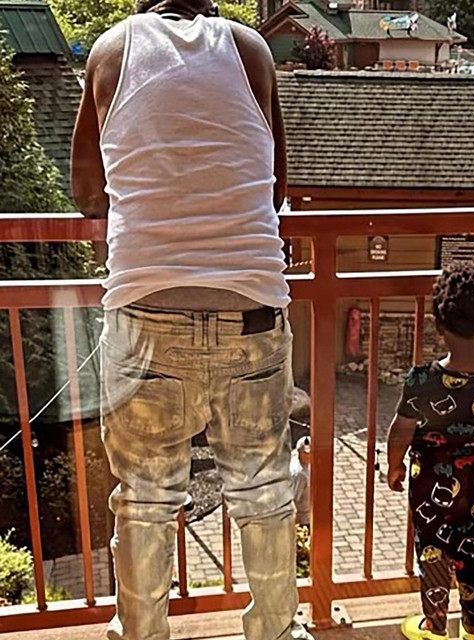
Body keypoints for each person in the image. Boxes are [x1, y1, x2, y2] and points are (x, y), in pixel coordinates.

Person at [70, 2, 309, 640]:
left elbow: (87, 193)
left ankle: (142, 634)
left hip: (144, 313)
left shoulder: (109, 51)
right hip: (251, 310)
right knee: (264, 493)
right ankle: (274, 632)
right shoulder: (252, 49)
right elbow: (276, 185)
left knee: (145, 500)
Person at [386, 261, 474, 640]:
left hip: (427, 487)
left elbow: (401, 429)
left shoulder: (421, 380)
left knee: (431, 552)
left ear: (439, 324)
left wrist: (394, 466)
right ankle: (473, 625)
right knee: (473, 554)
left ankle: (434, 627)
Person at [291, 436, 311, 527]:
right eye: (306, 454)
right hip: (305, 519)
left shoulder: (294, 455)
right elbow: (294, 499)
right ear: (300, 453)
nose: (310, 456)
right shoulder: (299, 475)